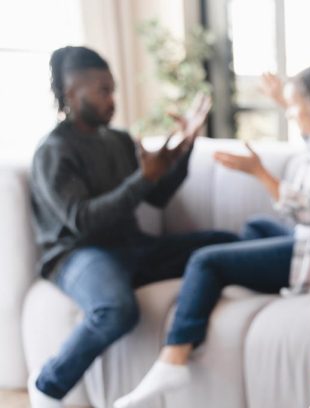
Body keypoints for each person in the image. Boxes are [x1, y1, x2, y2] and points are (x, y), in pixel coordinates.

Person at [113, 63, 310, 407]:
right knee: (253, 229)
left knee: (206, 260)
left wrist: (260, 173)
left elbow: (308, 208)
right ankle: (216, 274)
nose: (291, 115)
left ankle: (173, 359)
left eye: (295, 107)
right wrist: (285, 99)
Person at [28, 46, 238, 408]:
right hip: (77, 254)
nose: (113, 99)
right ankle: (47, 386)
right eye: (103, 90)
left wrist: (185, 148)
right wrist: (142, 178)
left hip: (131, 247)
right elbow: (82, 220)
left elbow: (155, 197)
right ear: (73, 93)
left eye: (113, 88)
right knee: (116, 310)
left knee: (223, 245)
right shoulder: (54, 151)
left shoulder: (118, 140)